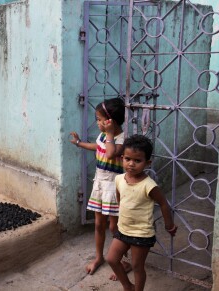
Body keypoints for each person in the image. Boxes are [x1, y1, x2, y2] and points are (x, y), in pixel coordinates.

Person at [106, 135, 176, 291]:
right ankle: (127, 286)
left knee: (138, 267)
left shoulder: (148, 185)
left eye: (137, 161)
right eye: (128, 159)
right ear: (122, 158)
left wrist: (169, 225)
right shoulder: (119, 179)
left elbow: (163, 203)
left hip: (141, 233)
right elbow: (120, 200)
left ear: (147, 163)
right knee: (111, 259)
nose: (131, 164)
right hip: (123, 230)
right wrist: (118, 222)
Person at [69, 97, 130, 276]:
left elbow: (111, 154)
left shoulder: (122, 139)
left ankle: (122, 260)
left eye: (99, 119)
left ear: (110, 121)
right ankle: (99, 257)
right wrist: (79, 143)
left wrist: (110, 133)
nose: (97, 122)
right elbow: (99, 147)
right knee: (98, 224)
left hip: (114, 186)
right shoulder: (104, 136)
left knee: (114, 227)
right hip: (100, 184)